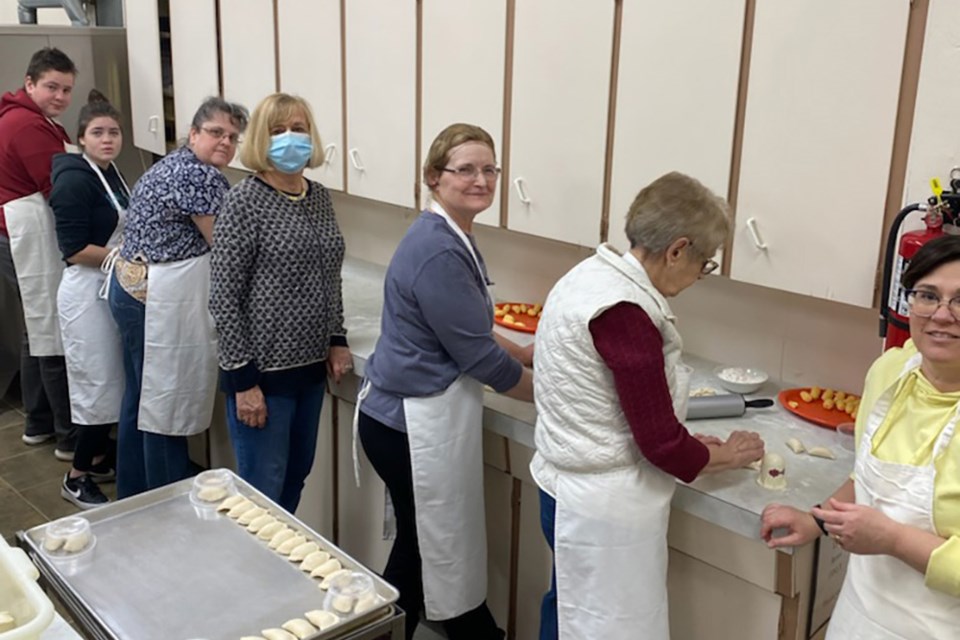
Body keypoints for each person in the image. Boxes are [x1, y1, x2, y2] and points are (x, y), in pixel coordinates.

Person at [531, 172, 765, 640]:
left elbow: (617, 406)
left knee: (568, 610)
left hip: (561, 484)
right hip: (600, 509)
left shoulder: (589, 275)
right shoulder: (624, 311)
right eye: (706, 263)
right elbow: (660, 446)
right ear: (677, 250)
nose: (701, 275)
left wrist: (679, 433)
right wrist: (730, 454)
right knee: (600, 626)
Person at [357, 123, 533, 640]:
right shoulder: (438, 250)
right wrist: (552, 393)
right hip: (407, 426)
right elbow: (479, 357)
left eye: (489, 169)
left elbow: (468, 327)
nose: (480, 180)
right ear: (434, 177)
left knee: (423, 545)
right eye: (466, 170)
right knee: (422, 548)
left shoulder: (449, 233)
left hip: (407, 418)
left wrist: (522, 351)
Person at [762, 234, 960, 639]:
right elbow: (866, 475)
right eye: (928, 295)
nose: (942, 314)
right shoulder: (890, 371)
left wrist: (891, 539)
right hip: (858, 616)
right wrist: (818, 518)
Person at [210, 93, 350, 514]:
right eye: (277, 130)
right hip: (263, 378)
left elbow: (330, 273)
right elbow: (224, 296)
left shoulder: (319, 196)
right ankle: (250, 578)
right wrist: (243, 381)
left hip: (309, 372)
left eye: (299, 128)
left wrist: (337, 337)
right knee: (261, 493)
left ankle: (282, 572)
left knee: (294, 479)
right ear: (260, 140)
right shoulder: (243, 201)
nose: (291, 139)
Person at [107, 97, 248, 498]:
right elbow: (223, 249)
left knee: (140, 398)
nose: (225, 142)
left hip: (131, 289)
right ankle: (166, 504)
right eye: (216, 132)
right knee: (164, 403)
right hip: (155, 300)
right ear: (194, 133)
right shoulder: (201, 177)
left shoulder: (172, 163)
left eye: (233, 137)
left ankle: (133, 496)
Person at [50, 90, 129, 508]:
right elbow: (75, 248)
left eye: (114, 132)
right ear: (81, 138)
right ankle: (76, 476)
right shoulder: (73, 180)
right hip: (85, 292)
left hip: (108, 287)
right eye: (98, 132)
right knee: (97, 385)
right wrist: (128, 261)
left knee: (111, 382)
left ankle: (98, 458)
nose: (107, 139)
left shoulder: (112, 172)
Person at [0, 47, 78, 460]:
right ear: (29, 84)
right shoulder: (27, 126)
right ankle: (69, 438)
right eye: (52, 87)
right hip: (25, 237)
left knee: (36, 328)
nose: (61, 96)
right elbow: (60, 191)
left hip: (17, 235)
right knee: (50, 331)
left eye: (66, 89)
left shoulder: (31, 119)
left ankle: (38, 423)